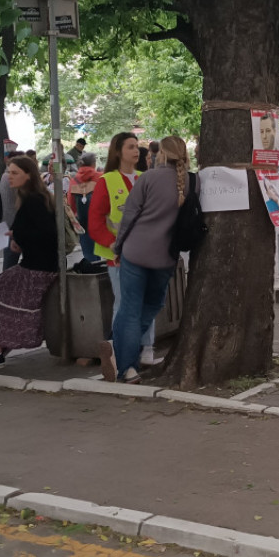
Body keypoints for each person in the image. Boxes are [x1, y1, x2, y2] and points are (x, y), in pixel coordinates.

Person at [106, 137, 191, 383]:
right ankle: (123, 354)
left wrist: (118, 247)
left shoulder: (147, 179)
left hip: (136, 252)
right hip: (166, 257)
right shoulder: (191, 182)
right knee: (152, 306)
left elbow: (129, 218)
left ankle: (125, 364)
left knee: (129, 310)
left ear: (160, 154)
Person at [0, 156, 61, 370]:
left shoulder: (33, 200)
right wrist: (19, 238)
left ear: (28, 175)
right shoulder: (34, 197)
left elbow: (46, 234)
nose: (9, 177)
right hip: (38, 263)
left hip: (38, 268)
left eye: (14, 173)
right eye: (8, 172)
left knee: (1, 290)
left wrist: (19, 238)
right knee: (3, 289)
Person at [90, 133, 161, 370]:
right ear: (118, 152)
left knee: (148, 301)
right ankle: (119, 351)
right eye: (131, 147)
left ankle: (147, 348)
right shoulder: (106, 181)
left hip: (146, 253)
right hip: (118, 257)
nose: (136, 151)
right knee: (124, 304)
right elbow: (96, 220)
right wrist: (111, 243)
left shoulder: (145, 178)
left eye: (137, 147)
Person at [68, 151, 102, 267]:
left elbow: (70, 203)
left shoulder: (74, 180)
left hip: (82, 221)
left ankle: (93, 275)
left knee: (88, 251)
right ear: (93, 163)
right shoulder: (99, 177)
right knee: (99, 252)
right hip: (99, 220)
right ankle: (101, 274)